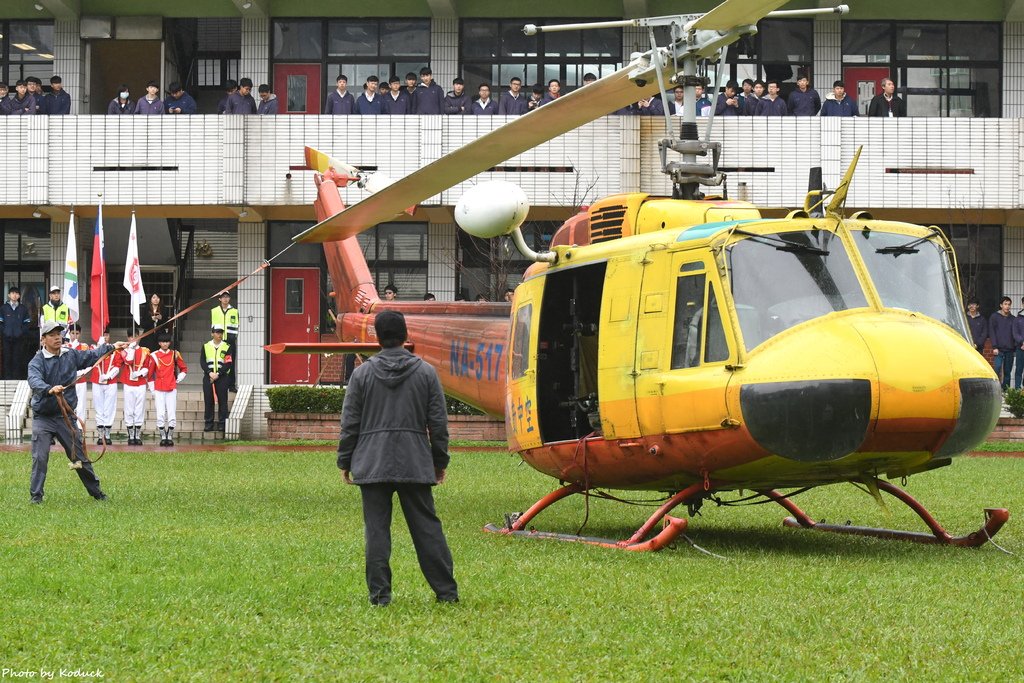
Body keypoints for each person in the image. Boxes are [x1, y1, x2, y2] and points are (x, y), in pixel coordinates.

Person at [337, 311, 457, 606]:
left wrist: (345, 460)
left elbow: (349, 422)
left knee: (376, 531)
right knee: (427, 528)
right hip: (415, 461)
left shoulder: (362, 374)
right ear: (406, 336)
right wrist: (439, 461)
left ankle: (380, 596)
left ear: (376, 338)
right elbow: (438, 424)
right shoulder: (426, 372)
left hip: (371, 461)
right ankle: (446, 592)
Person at [27, 321, 126, 504]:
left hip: (66, 417)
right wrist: (49, 389)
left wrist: (112, 347)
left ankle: (97, 493)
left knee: (80, 457)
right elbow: (34, 380)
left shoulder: (70, 355)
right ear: (43, 340)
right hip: (44, 418)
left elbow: (91, 355)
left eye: (58, 334)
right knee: (40, 457)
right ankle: (36, 496)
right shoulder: (37, 361)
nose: (57, 337)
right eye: (52, 335)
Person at [147, 332, 187, 447]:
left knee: (171, 413)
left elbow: (184, 368)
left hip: (171, 387)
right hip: (159, 388)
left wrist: (178, 379)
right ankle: (163, 436)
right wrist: (152, 390)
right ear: (159, 343)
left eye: (167, 341)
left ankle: (169, 436)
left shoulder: (175, 354)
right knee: (160, 414)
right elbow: (149, 375)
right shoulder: (154, 355)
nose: (165, 344)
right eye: (163, 342)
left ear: (170, 342)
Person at [118, 328, 151, 445]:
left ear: (138, 337)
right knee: (129, 408)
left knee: (139, 408)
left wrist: (141, 372)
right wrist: (131, 348)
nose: (133, 339)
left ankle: (137, 434)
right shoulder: (125, 350)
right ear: (128, 338)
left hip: (140, 383)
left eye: (135, 336)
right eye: (131, 337)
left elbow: (148, 366)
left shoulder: (145, 351)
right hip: (128, 383)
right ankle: (130, 435)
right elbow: (128, 361)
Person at [91, 329, 120, 445]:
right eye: (103, 334)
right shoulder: (93, 349)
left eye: (107, 335)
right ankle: (100, 434)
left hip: (110, 381)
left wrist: (109, 375)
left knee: (110, 407)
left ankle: (107, 434)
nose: (105, 337)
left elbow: (118, 365)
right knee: (99, 407)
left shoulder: (114, 349)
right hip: (97, 380)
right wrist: (99, 346)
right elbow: (90, 359)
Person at [201, 325, 232, 432]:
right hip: (208, 377)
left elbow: (228, 363)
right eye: (217, 332)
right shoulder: (206, 346)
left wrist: (218, 373)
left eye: (221, 332)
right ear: (212, 334)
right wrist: (209, 373)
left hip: (222, 377)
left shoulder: (227, 346)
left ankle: (222, 424)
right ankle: (208, 423)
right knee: (208, 400)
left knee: (223, 401)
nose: (219, 334)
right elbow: (202, 362)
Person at [211, 291, 239, 391]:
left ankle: (231, 385)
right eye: (223, 297)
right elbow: (213, 326)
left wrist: (233, 337)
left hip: (230, 342)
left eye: (227, 297)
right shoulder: (214, 311)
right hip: (219, 341)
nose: (225, 299)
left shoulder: (234, 311)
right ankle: (220, 384)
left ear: (229, 298)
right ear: (219, 299)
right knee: (219, 363)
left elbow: (236, 325)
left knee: (230, 363)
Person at [1, 286, 32, 379]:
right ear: (9, 295)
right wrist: (5, 332)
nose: (14, 295)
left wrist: (21, 333)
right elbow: (0, 323)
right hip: (6, 339)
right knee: (7, 358)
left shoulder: (23, 309)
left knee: (17, 359)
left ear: (19, 296)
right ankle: (7, 379)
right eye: (12, 293)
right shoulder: (3, 308)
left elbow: (27, 324)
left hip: (19, 339)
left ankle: (16, 378)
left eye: (16, 293)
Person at [64, 323, 91, 424]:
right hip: (69, 380)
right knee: (68, 404)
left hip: (81, 380)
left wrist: (81, 372)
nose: (74, 336)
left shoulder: (84, 347)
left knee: (81, 405)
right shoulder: (64, 347)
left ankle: (80, 427)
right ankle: (68, 426)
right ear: (69, 333)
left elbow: (89, 362)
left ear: (80, 334)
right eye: (72, 333)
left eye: (77, 333)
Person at [990, 296, 1015, 390]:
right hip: (998, 349)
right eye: (1005, 304)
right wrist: (994, 346)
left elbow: (1015, 333)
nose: (1007, 306)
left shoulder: (1013, 319)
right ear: (1001, 305)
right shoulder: (994, 317)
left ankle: (1005, 390)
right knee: (997, 367)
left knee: (1007, 371)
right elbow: (992, 332)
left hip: (1010, 349)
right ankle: (996, 389)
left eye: (1009, 304)